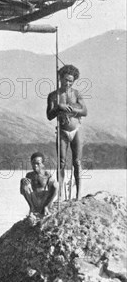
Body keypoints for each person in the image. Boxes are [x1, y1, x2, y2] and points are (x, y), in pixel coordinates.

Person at [46, 64, 87, 201]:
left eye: (71, 81)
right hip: (62, 131)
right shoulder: (53, 95)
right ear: (60, 78)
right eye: (65, 80)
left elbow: (85, 111)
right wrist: (59, 107)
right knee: (61, 162)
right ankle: (60, 195)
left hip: (76, 131)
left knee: (77, 161)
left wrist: (71, 110)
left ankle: (78, 195)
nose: (68, 83)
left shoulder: (76, 94)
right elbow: (49, 116)